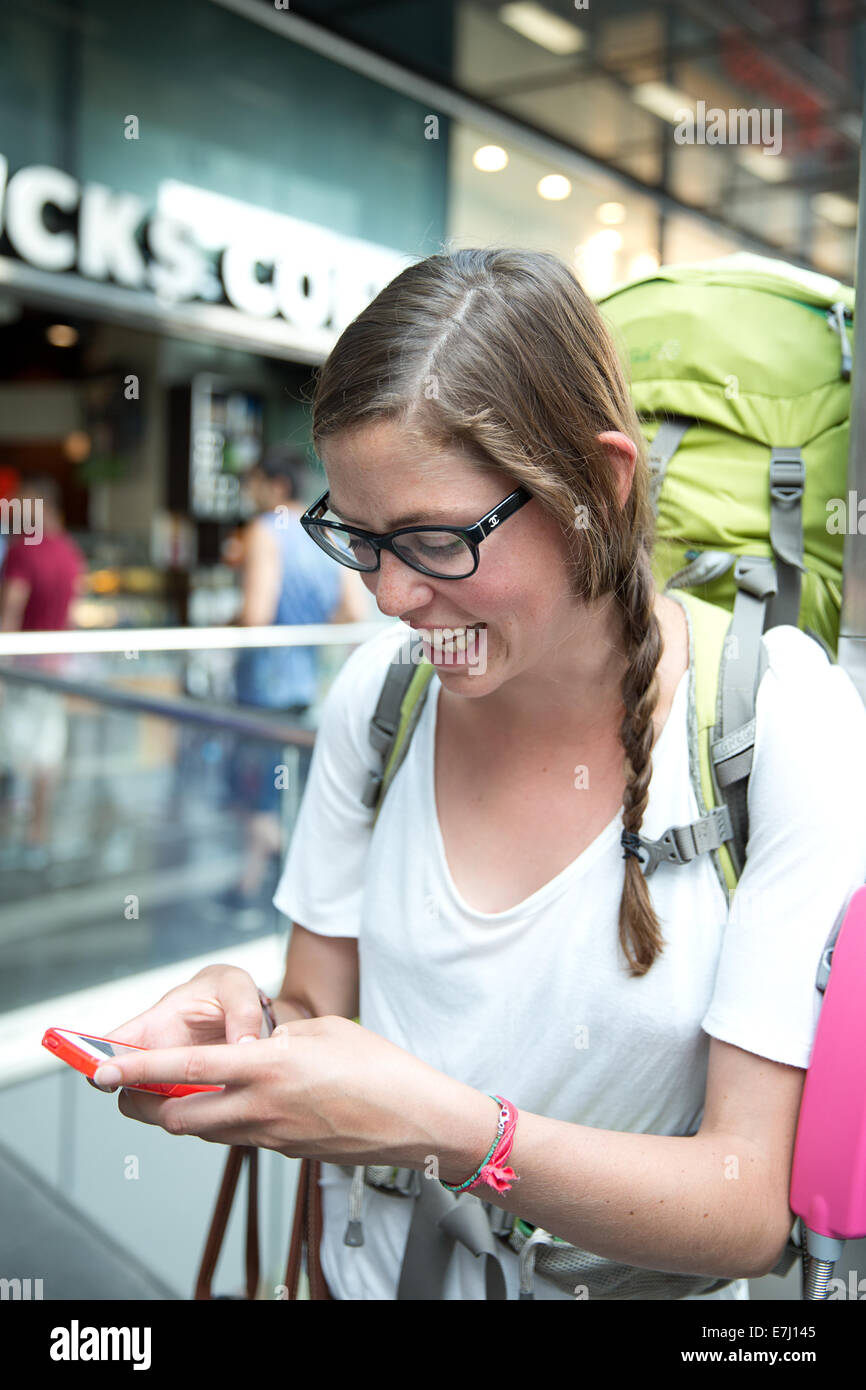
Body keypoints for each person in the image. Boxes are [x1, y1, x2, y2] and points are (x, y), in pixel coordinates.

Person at [91, 248, 866, 1300]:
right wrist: (252, 1023)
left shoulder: (778, 728)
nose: (392, 596)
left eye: (435, 540)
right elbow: (323, 1003)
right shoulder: (377, 698)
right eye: (357, 541)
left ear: (599, 480)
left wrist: (454, 1132)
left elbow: (740, 1206)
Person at [222, 445, 368, 910]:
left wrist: (227, 625)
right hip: (304, 685)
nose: (251, 494)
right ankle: (267, 883)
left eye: (255, 484)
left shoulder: (266, 531)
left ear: (276, 485)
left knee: (251, 790)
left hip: (262, 685)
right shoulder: (325, 533)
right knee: (281, 788)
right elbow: (352, 610)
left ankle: (263, 881)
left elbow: (256, 615)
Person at [0, 474, 85, 864]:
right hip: (56, 668)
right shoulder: (70, 552)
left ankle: (6, 833)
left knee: (9, 755)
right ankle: (37, 836)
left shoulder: (23, 550)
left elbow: (10, 613)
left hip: (19, 670)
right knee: (46, 754)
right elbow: (73, 615)